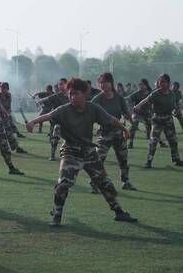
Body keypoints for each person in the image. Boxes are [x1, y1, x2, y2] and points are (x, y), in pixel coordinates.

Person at [26, 78, 138, 226]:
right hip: (70, 151)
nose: (72, 97)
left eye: (76, 94)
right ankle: (57, 214)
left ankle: (118, 212)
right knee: (63, 184)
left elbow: (111, 119)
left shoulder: (93, 108)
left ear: (84, 94)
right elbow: (48, 116)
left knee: (105, 183)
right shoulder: (64, 109)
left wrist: (124, 129)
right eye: (70, 94)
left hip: (88, 152)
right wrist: (32, 122)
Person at [91, 73, 136, 192]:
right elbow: (89, 113)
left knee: (123, 158)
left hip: (118, 132)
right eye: (100, 83)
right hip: (104, 133)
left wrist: (131, 122)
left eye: (104, 82)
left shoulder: (119, 98)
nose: (102, 85)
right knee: (99, 159)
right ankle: (95, 184)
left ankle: (125, 181)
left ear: (111, 83)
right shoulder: (97, 99)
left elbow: (126, 112)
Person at [134, 74, 183, 168]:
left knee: (173, 140)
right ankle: (149, 161)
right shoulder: (156, 93)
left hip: (168, 119)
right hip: (157, 119)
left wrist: (177, 113)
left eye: (163, 82)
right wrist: (137, 106)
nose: (161, 84)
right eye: (160, 82)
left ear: (168, 83)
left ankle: (176, 159)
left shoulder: (172, 94)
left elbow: (175, 106)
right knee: (154, 141)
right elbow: (145, 100)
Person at [0, 82, 27, 154]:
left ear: (7, 89)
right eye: (1, 88)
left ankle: (16, 148)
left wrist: (8, 113)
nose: (2, 89)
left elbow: (8, 106)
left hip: (4, 117)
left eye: (4, 88)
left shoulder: (8, 96)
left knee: (9, 133)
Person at [38, 78, 69, 161]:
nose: (60, 86)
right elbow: (44, 99)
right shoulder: (56, 95)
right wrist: (38, 102)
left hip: (68, 121)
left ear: (67, 84)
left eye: (62, 84)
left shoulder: (71, 95)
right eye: (59, 84)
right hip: (57, 121)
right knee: (55, 138)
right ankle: (52, 155)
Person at [126, 79, 153, 148]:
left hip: (147, 114)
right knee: (133, 125)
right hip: (137, 114)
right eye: (139, 85)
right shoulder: (137, 93)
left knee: (152, 128)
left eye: (142, 84)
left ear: (146, 85)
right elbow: (129, 99)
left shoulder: (151, 93)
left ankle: (159, 142)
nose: (140, 86)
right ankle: (130, 142)